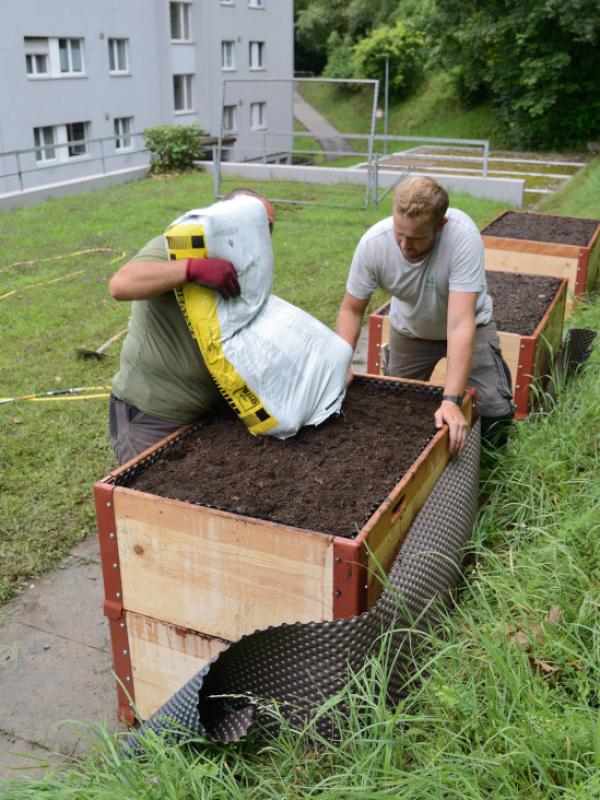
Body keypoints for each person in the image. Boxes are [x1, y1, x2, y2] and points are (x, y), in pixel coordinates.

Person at [335, 175, 514, 455]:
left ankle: (487, 469)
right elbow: (351, 309)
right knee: (392, 408)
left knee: (494, 408)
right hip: (411, 331)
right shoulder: (373, 245)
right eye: (399, 234)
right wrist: (340, 361)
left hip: (469, 327)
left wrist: (451, 400)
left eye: (416, 238)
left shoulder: (462, 238)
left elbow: (459, 323)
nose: (405, 246)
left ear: (440, 226)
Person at [108, 188, 276, 465]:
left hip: (214, 413)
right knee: (153, 503)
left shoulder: (249, 259)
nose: (263, 234)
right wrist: (191, 269)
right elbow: (121, 284)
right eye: (259, 223)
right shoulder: (180, 244)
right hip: (154, 415)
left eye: (268, 227)